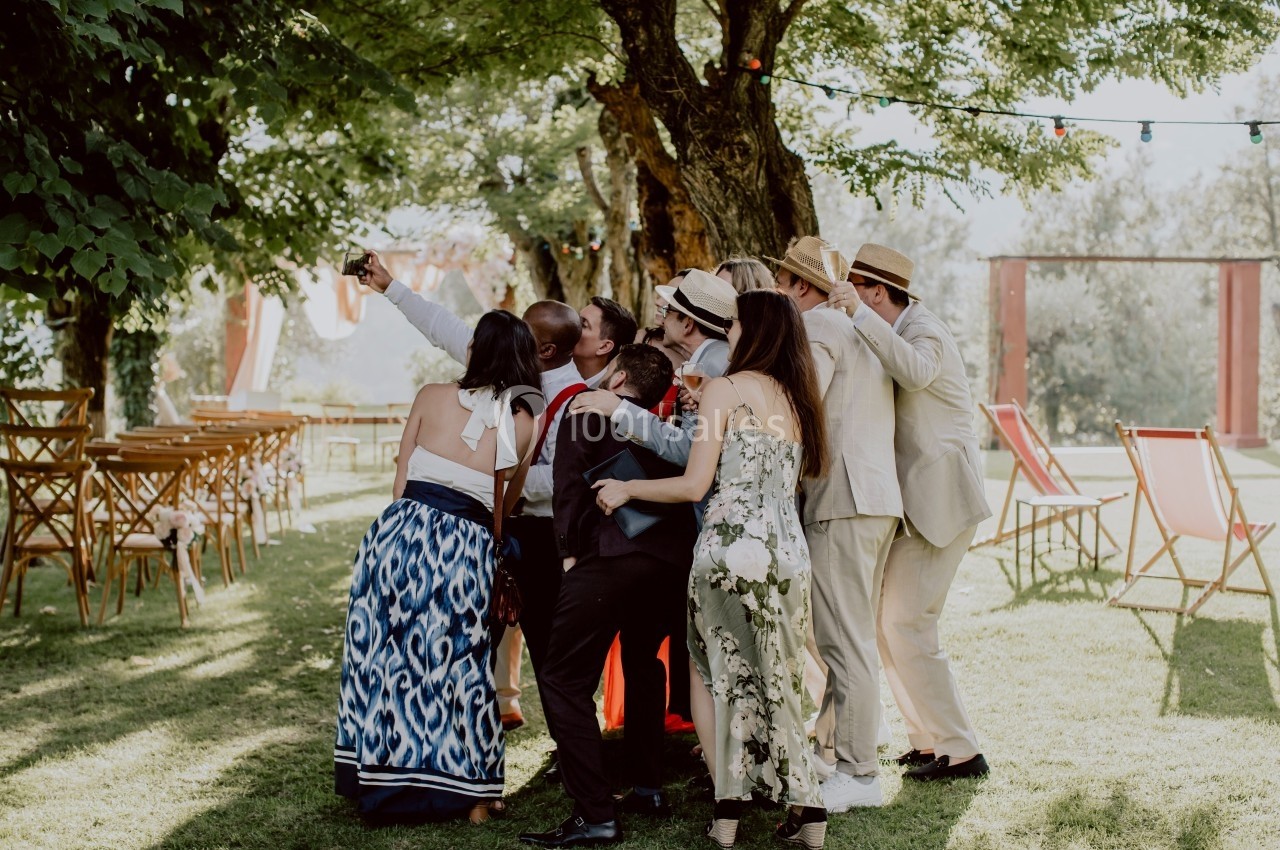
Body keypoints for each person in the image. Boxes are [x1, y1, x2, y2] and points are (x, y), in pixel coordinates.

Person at [594, 290, 831, 850]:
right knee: (782, 675)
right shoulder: (799, 401)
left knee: (709, 672)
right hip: (788, 555)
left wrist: (626, 486)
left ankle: (727, 810)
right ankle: (808, 810)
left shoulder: (723, 389)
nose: (730, 334)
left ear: (757, 332)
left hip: (728, 548)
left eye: (737, 325)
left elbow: (694, 484)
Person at [358, 250, 586, 737]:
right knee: (466, 641)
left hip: (538, 533)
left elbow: (570, 480)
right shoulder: (501, 359)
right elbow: (443, 326)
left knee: (547, 649)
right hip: (482, 526)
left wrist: (484, 486)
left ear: (545, 351)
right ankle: (475, 720)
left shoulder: (571, 399)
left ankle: (567, 750)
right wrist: (390, 286)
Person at [334, 310, 540, 824]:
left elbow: (400, 480)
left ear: (476, 351)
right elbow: (501, 506)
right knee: (460, 663)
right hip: (463, 545)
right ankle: (471, 796)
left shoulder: (428, 395)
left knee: (386, 659)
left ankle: (381, 783)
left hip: (398, 536)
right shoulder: (521, 419)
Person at [520, 345, 697, 847]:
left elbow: (568, 492)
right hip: (666, 564)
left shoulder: (584, 409)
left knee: (562, 679)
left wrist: (569, 558)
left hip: (609, 559)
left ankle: (595, 812)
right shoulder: (669, 427)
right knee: (644, 664)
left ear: (617, 377)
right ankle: (647, 787)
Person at [828, 243, 992, 782]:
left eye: (858, 290)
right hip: (912, 506)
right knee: (885, 624)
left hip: (941, 501)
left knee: (907, 623)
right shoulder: (894, 329)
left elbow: (917, 374)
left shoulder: (925, 331)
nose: (851, 297)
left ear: (877, 291)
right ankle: (927, 740)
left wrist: (854, 316)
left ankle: (961, 750)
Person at [768, 236, 902, 809]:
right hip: (872, 497)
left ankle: (861, 772)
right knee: (849, 636)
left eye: (781, 283)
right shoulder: (862, 330)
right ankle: (834, 751)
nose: (778, 293)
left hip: (843, 499)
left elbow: (805, 405)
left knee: (842, 640)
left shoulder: (820, 328)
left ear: (802, 286)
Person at [576, 296, 639, 388]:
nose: (571, 325)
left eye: (583, 325)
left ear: (604, 347)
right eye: (575, 319)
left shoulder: (609, 395)